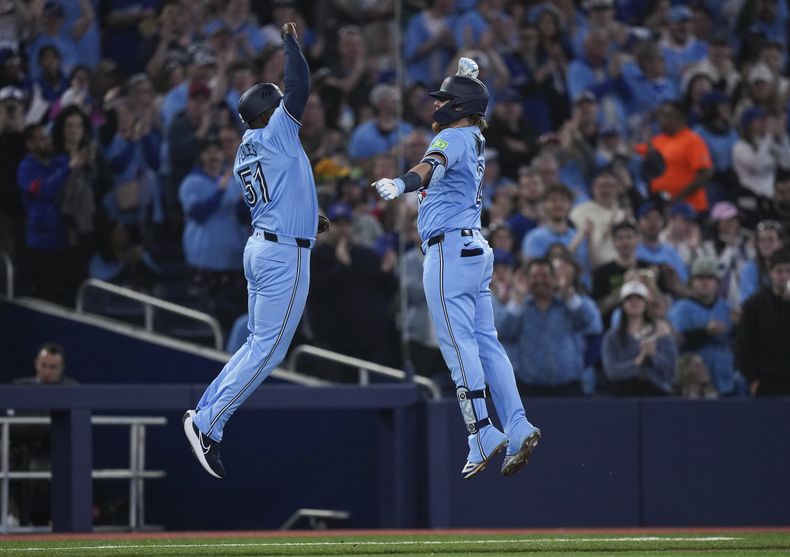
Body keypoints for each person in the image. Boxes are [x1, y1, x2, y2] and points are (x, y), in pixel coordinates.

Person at [371, 58, 541, 479]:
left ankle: (482, 430)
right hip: (475, 250)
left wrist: (401, 184)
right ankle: (517, 424)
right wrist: (470, 78)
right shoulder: (474, 137)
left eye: (444, 99)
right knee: (487, 343)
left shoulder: (452, 137)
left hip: (448, 252)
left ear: (459, 106)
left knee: (457, 342)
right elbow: (469, 121)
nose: (436, 106)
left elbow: (429, 168)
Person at [183, 22, 328, 479]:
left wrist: (309, 217)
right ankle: (209, 424)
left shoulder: (249, 144)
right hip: (282, 253)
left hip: (267, 243)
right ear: (271, 110)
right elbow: (300, 83)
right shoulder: (276, 133)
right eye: (278, 103)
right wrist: (289, 44)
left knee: (255, 344)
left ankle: (204, 414)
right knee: (267, 351)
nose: (287, 106)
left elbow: (282, 191)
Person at [668, 257, 740, 396]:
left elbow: (738, 342)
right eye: (700, 278)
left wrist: (738, 327)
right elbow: (679, 342)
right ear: (692, 282)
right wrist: (705, 332)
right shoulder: (682, 308)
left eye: (709, 278)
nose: (705, 282)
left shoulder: (726, 307)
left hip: (724, 376)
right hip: (692, 381)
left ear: (717, 283)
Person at [601, 280, 678, 396]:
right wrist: (638, 362)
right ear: (622, 305)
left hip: (656, 393)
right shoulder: (612, 337)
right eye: (629, 299)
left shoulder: (660, 332)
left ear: (646, 303)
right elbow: (612, 371)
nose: (634, 302)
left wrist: (653, 356)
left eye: (639, 298)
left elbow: (671, 368)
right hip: (624, 396)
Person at [735, 249, 790, 396]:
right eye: (779, 271)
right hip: (767, 381)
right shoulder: (755, 304)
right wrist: (752, 379)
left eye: (788, 271)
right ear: (770, 273)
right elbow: (744, 343)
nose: (784, 276)